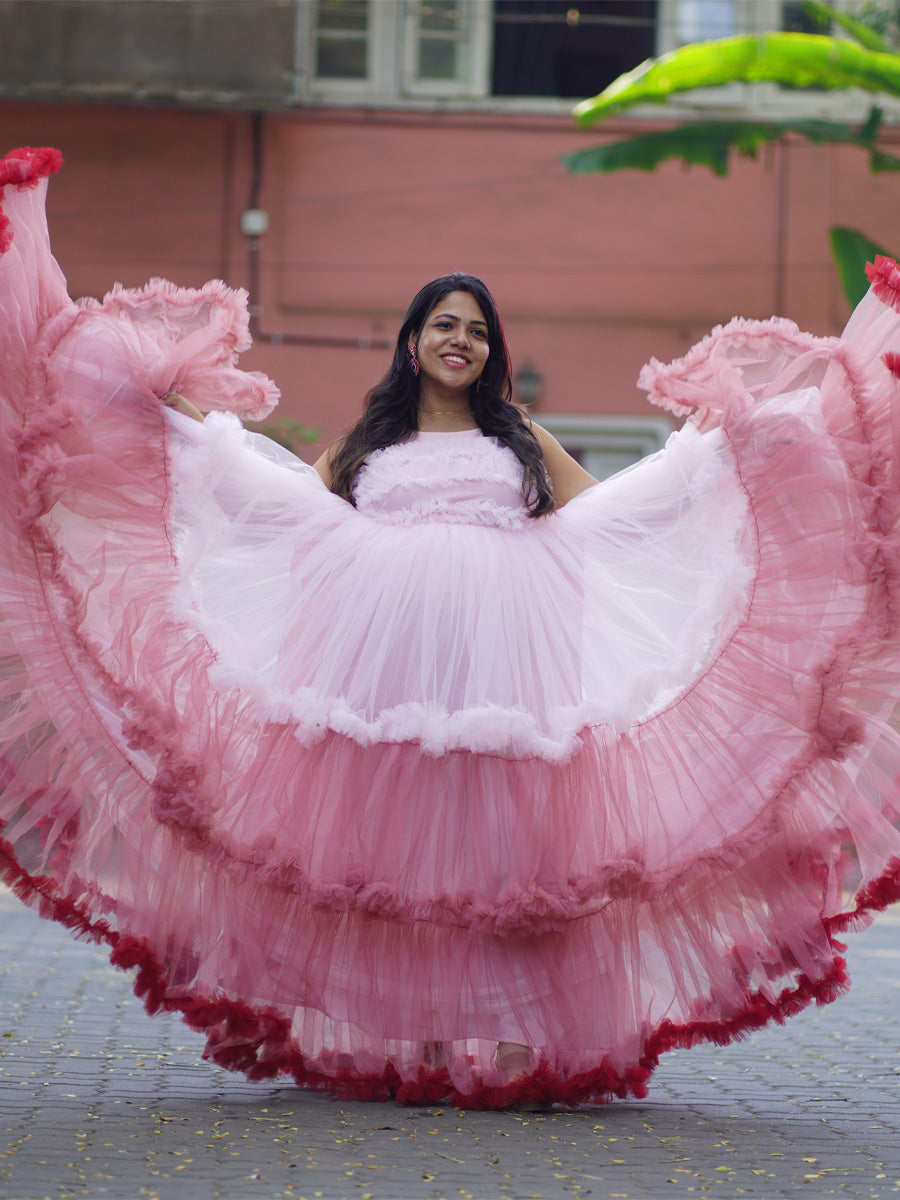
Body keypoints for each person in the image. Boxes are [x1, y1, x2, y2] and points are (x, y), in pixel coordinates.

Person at [2, 145, 900, 1112]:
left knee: (509, 860)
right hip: (381, 686)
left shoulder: (521, 438)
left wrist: (724, 461)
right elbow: (274, 508)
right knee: (388, 865)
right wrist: (176, 425)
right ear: (413, 341)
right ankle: (411, 1045)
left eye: (476, 329)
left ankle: (513, 1040)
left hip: (507, 689)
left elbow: (618, 519)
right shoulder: (368, 443)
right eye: (444, 324)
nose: (459, 340)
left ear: (492, 349)